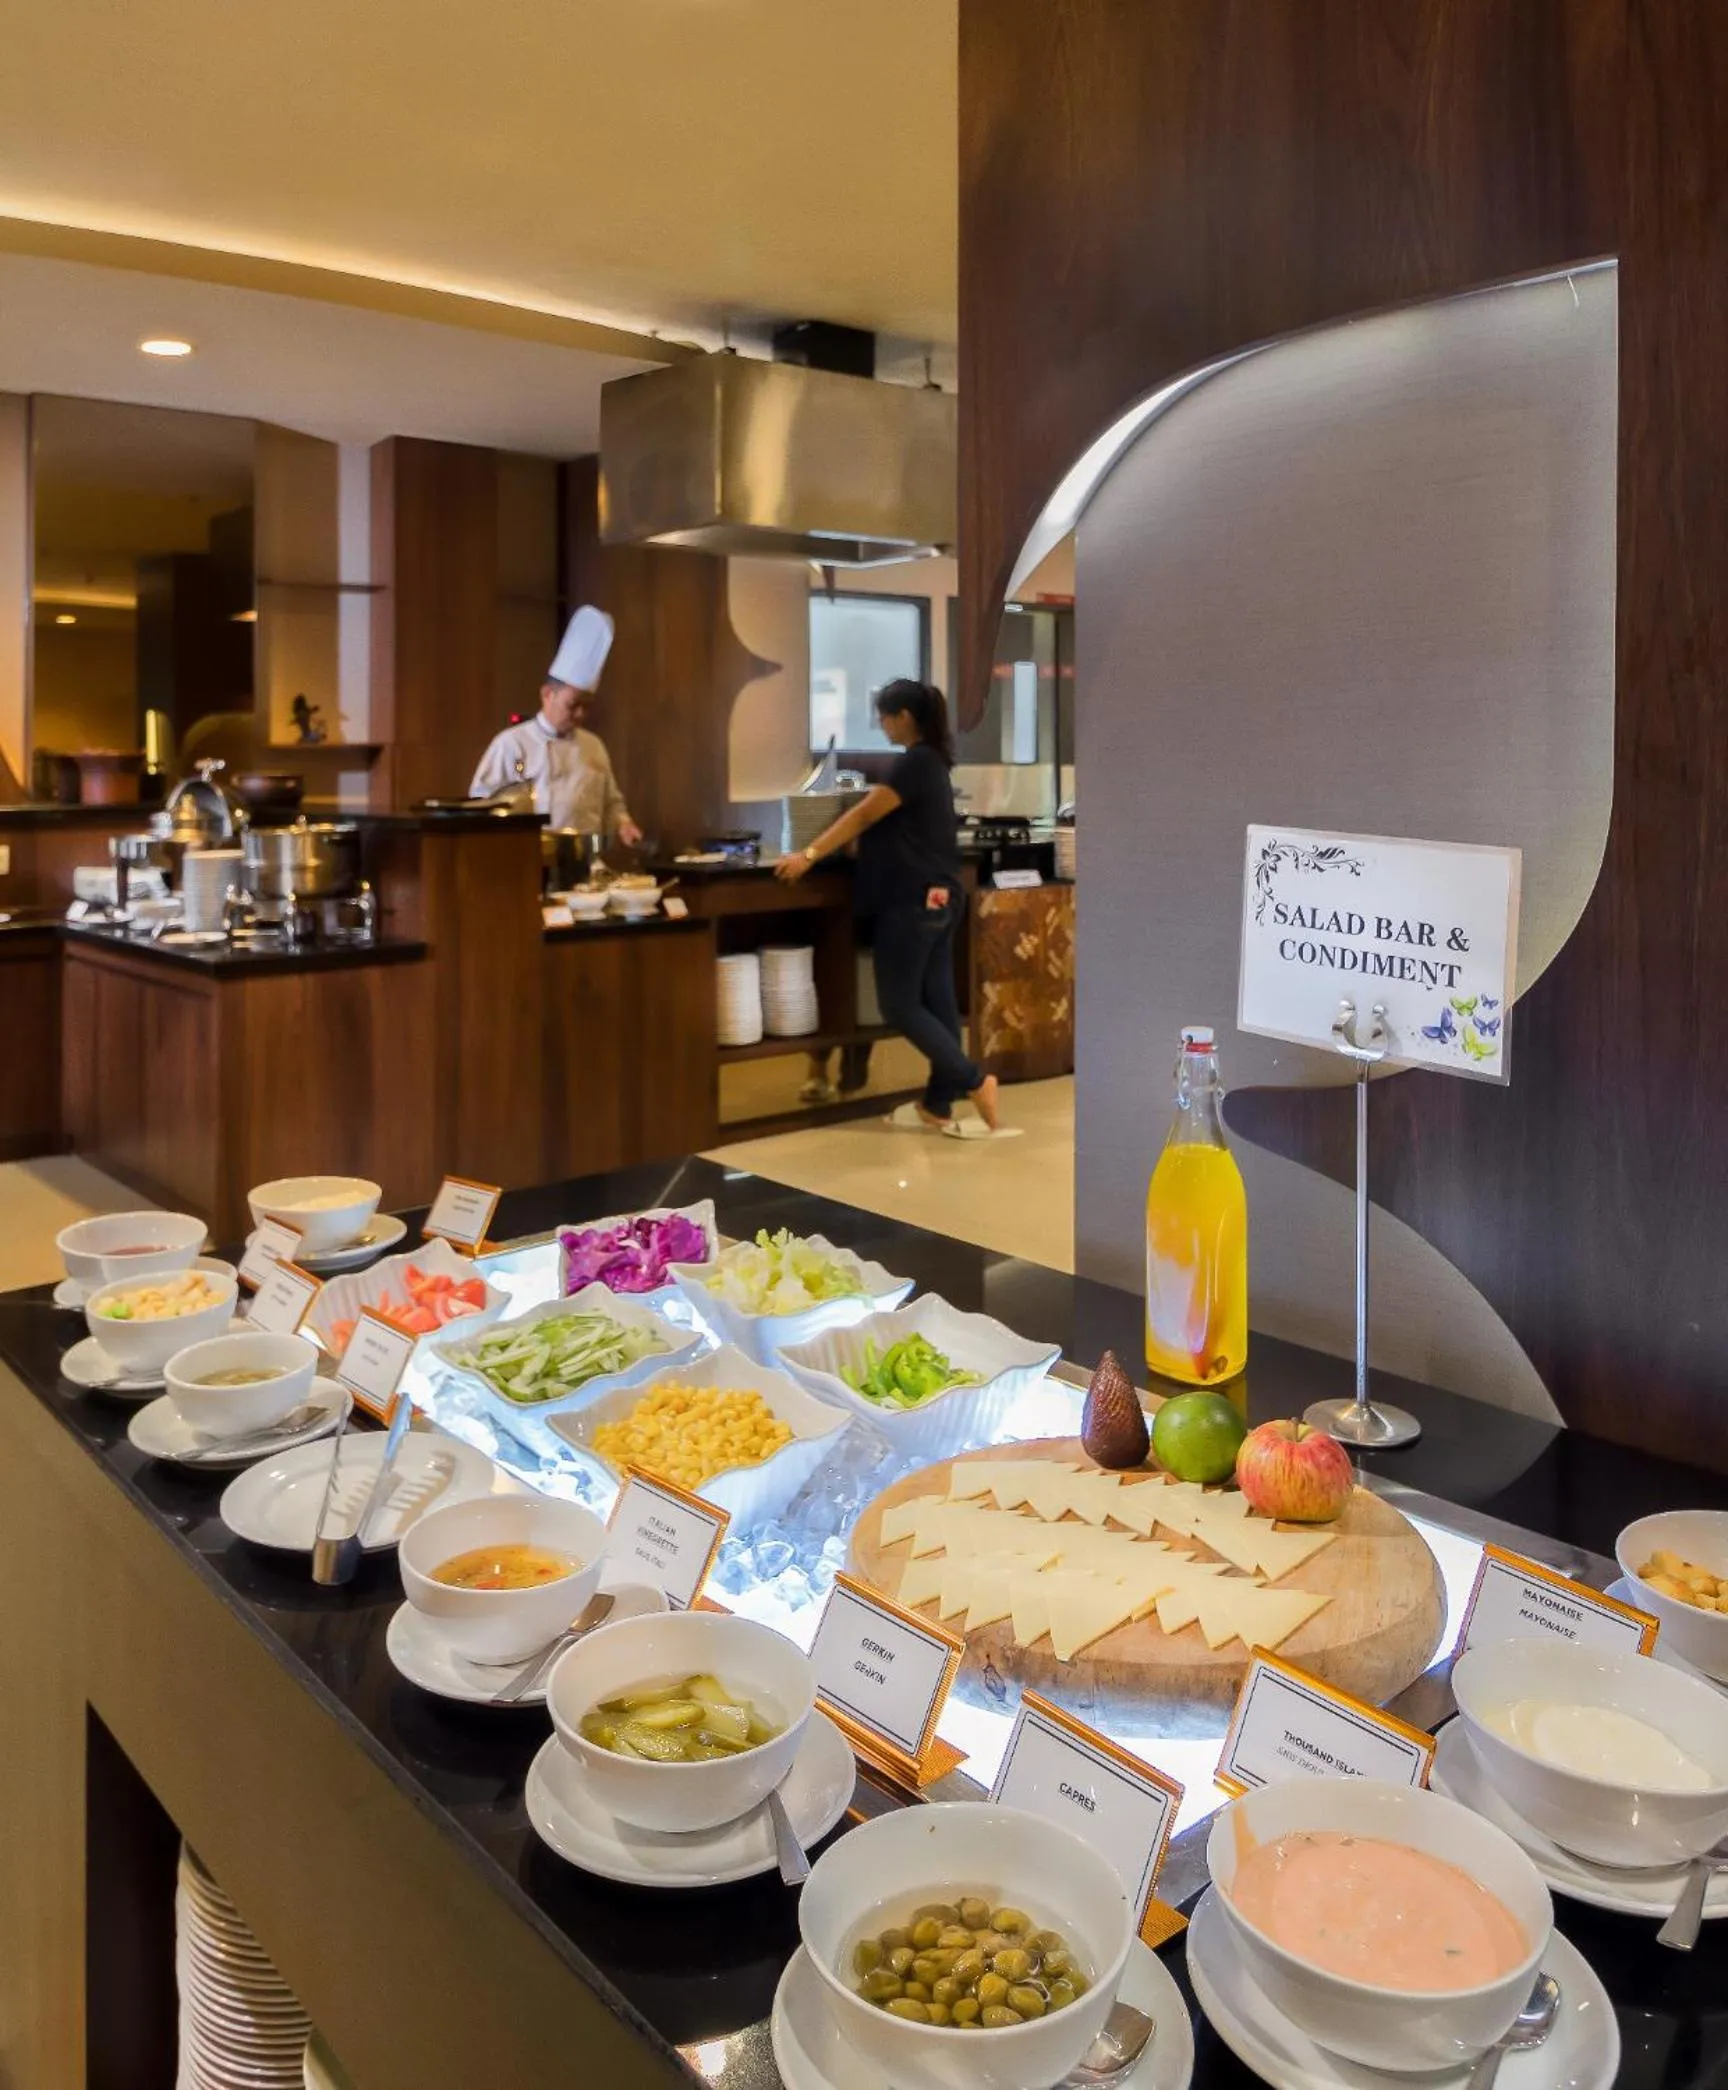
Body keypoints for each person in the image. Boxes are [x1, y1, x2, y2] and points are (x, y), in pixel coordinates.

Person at [777, 678, 999, 1133]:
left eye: (884, 716)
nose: (881, 725)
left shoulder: (913, 763)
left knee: (898, 1005)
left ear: (904, 717)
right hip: (942, 895)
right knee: (937, 1001)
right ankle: (939, 1103)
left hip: (911, 901)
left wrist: (808, 855)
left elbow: (862, 814)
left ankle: (974, 1080)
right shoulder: (933, 762)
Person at [470, 605, 643, 843]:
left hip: (585, 857)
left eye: (586, 706)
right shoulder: (513, 745)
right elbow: (481, 803)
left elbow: (612, 804)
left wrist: (624, 824)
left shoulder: (594, 746)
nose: (580, 714)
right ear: (547, 694)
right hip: (528, 856)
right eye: (573, 705)